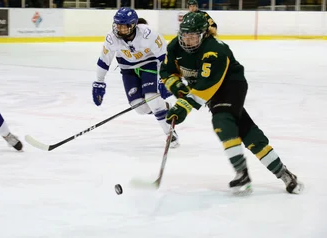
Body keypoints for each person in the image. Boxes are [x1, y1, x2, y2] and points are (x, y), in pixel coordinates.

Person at [160, 12, 303, 194]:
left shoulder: (215, 50)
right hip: (209, 91)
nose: (187, 40)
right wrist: (178, 87)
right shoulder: (174, 47)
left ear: (204, 35)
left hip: (231, 86)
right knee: (245, 129)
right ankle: (283, 173)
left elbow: (206, 86)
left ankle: (241, 172)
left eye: (193, 36)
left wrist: (183, 106)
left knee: (222, 121)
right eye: (185, 35)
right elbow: (166, 71)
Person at [92, 7, 179, 148]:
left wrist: (166, 77)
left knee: (152, 97)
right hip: (128, 69)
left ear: (133, 25)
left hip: (149, 64)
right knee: (140, 108)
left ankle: (170, 132)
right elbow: (104, 60)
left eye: (123, 26)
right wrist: (99, 82)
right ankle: (164, 108)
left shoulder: (148, 34)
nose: (119, 29)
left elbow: (165, 56)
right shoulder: (112, 38)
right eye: (117, 25)